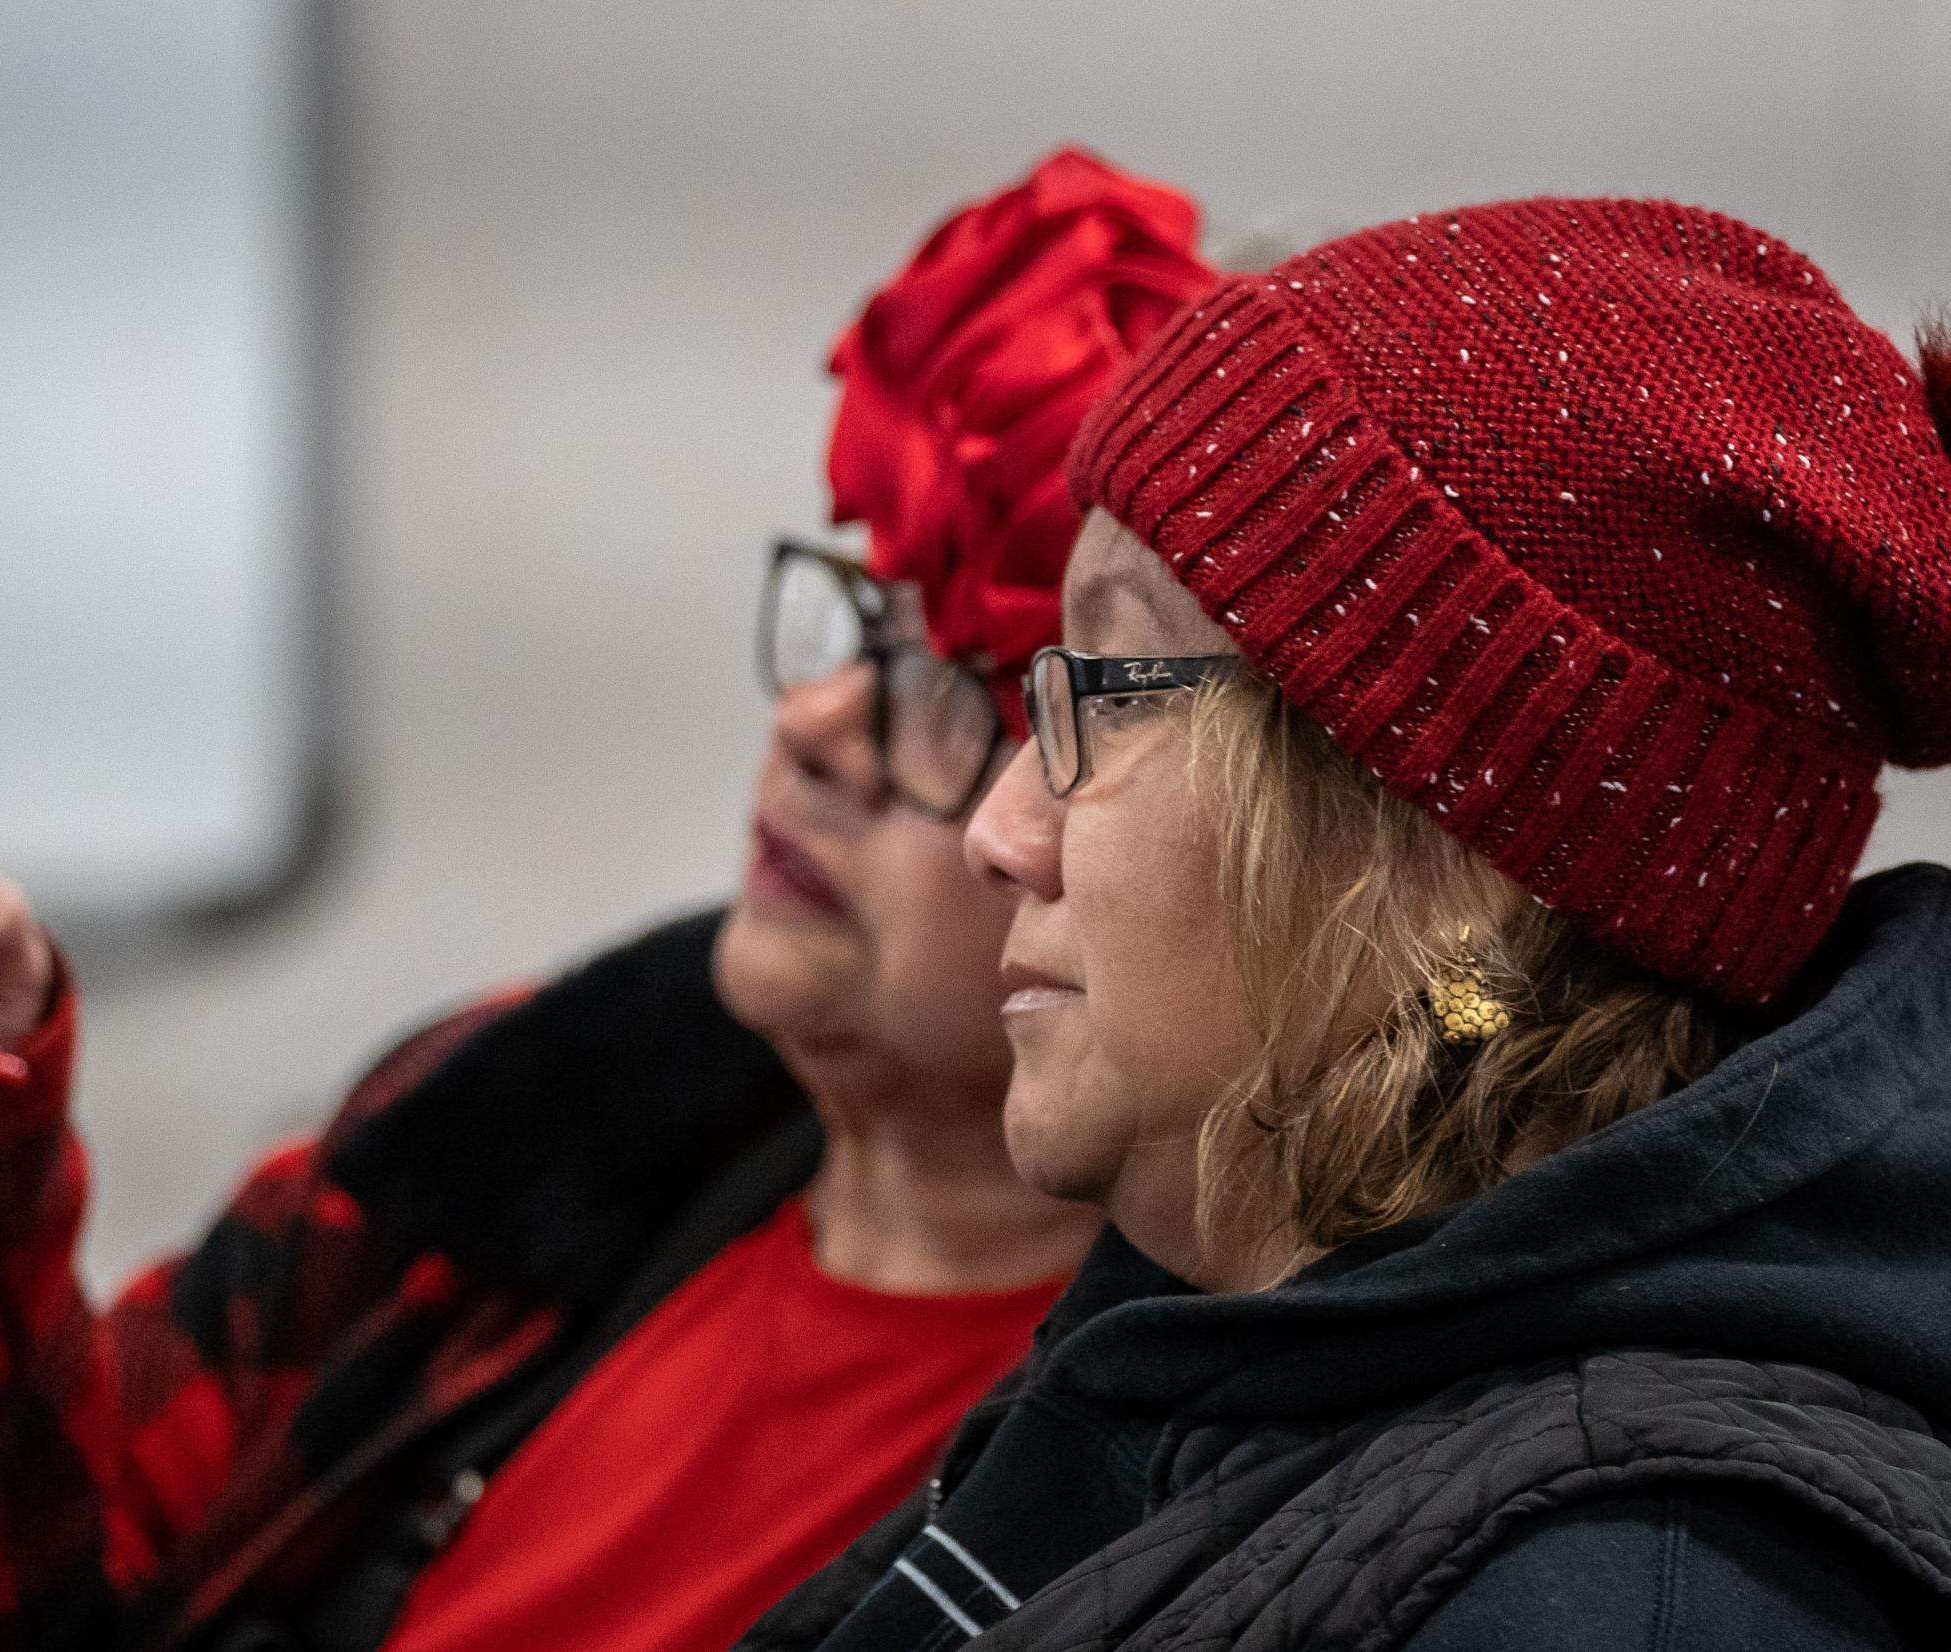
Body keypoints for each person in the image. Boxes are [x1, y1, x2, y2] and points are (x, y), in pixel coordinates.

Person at [0, 150, 1216, 1652]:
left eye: (952, 689)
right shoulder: (506, 1139)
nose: (815, 727)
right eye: (848, 619)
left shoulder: (1186, 1457)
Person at [745, 198, 1951, 1651]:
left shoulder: (1626, 1601)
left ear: (1464, 872)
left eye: (1115, 694)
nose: (1004, 833)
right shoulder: (1226, 1335)